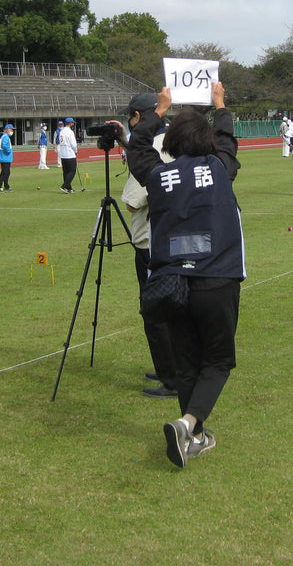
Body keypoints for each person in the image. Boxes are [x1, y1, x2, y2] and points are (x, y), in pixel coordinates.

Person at [127, 82, 244, 468]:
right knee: (218, 362)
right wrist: (220, 105)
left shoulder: (159, 177)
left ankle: (193, 437)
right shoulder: (219, 168)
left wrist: (157, 112)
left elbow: (138, 152)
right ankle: (188, 423)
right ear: (207, 141)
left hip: (171, 282)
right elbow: (228, 142)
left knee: (188, 364)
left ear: (172, 143)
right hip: (216, 278)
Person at [113, 92, 177, 399]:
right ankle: (171, 367)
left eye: (132, 117)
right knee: (172, 310)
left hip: (151, 244)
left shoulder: (153, 146)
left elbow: (131, 203)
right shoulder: (176, 141)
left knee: (155, 313)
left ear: (139, 117)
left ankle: (171, 376)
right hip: (173, 239)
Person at [58, 117, 78, 193]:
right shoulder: (70, 132)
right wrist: (76, 151)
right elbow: (73, 144)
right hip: (70, 154)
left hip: (63, 154)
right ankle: (65, 185)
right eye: (72, 123)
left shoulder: (61, 131)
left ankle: (68, 188)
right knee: (72, 171)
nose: (73, 124)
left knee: (66, 171)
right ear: (70, 123)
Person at [0, 124, 14, 192]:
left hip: (5, 158)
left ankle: (6, 186)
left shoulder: (4, 136)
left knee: (6, 172)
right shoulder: (5, 137)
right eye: (11, 129)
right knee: (5, 172)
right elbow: (4, 145)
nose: (12, 131)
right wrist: (8, 151)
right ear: (7, 129)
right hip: (5, 157)